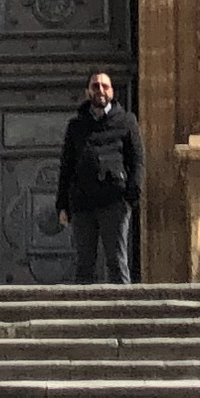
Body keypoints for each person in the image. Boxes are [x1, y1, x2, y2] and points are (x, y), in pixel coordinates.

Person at [56, 68, 143, 283]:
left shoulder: (126, 121)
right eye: (95, 86)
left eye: (105, 86)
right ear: (88, 92)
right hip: (82, 202)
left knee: (116, 260)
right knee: (84, 262)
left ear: (112, 91)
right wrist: (62, 205)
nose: (100, 90)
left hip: (114, 200)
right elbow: (66, 166)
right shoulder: (76, 126)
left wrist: (132, 194)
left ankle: (124, 311)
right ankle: (82, 313)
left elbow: (138, 159)